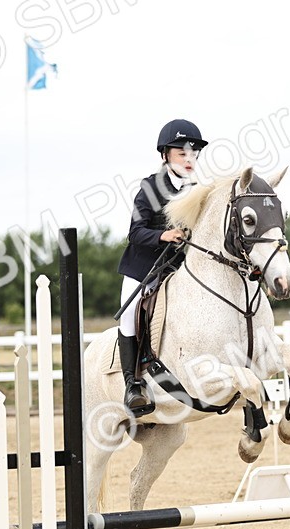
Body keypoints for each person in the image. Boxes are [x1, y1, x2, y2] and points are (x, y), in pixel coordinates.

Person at [115, 118, 208, 416]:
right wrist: (163, 235)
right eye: (182, 153)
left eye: (194, 153)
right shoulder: (150, 188)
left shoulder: (199, 191)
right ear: (166, 155)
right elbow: (135, 232)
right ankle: (133, 384)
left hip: (179, 270)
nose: (189, 158)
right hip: (144, 267)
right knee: (129, 316)